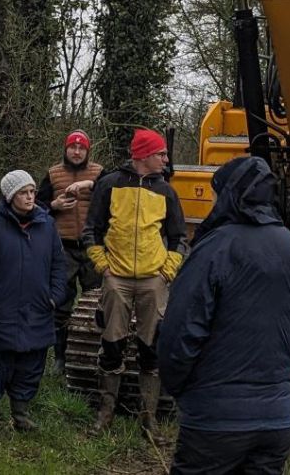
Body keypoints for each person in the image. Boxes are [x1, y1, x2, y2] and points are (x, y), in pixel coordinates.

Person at [158, 156, 290, 475]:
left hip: (214, 418)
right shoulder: (289, 244)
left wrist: (178, 386)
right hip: (276, 419)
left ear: (231, 195)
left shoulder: (215, 247)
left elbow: (181, 330)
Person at [82, 127, 187, 435]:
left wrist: (167, 270)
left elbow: (179, 237)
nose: (167, 159)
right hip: (117, 279)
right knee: (112, 345)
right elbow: (91, 230)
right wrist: (103, 266)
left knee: (151, 348)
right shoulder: (110, 184)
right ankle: (105, 413)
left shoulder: (166, 190)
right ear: (143, 155)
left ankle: (148, 417)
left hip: (153, 280)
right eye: (161, 154)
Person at [0, 170, 68, 432]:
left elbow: (59, 265)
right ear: (11, 196)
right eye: (24, 192)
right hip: (0, 310)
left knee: (31, 364)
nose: (30, 197)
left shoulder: (47, 226)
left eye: (33, 192)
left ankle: (20, 414)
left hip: (38, 309)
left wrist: (55, 297)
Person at [39, 129, 103, 374]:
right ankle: (60, 357)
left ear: (88, 150)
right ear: (65, 149)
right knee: (60, 305)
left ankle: (91, 354)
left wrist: (91, 184)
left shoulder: (99, 173)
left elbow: (116, 193)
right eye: (72, 147)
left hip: (92, 248)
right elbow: (34, 206)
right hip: (63, 248)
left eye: (82, 148)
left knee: (95, 302)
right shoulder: (53, 174)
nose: (76, 152)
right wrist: (53, 206)